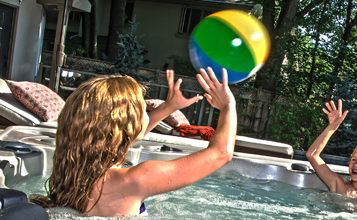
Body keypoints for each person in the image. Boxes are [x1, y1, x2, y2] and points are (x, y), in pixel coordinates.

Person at [30, 67, 237, 216]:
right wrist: (228, 106)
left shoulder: (75, 168)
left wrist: (168, 108)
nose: (147, 112)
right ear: (126, 124)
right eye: (142, 109)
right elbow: (221, 153)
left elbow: (123, 138)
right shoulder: (136, 179)